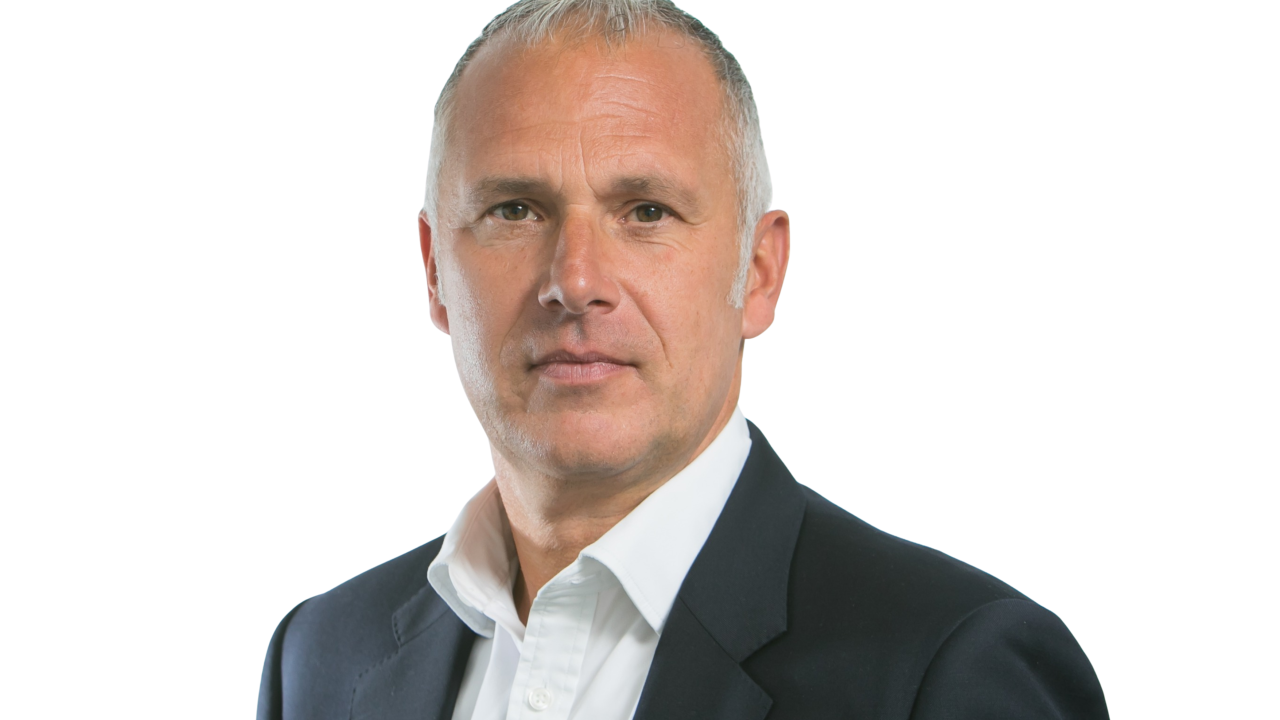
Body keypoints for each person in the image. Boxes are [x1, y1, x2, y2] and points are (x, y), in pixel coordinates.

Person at [256, 1, 1109, 718]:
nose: (575, 282)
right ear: (435, 270)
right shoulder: (320, 661)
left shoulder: (948, 670)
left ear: (759, 271)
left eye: (647, 211)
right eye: (516, 209)